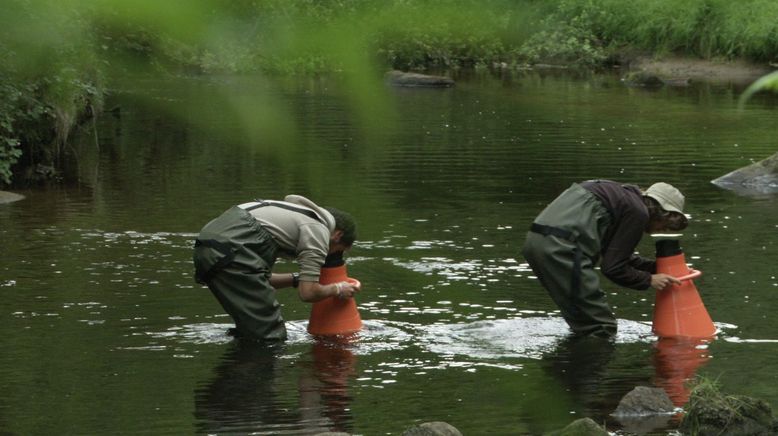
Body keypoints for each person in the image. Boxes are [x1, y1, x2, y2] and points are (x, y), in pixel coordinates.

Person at [522, 180, 688, 338]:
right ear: (662, 213)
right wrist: (650, 279)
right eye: (665, 226)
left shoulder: (615, 195)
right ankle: (581, 366)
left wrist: (661, 267)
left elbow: (617, 255)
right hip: (562, 249)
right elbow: (613, 268)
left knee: (582, 320)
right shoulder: (638, 212)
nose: (660, 230)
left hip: (537, 242)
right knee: (601, 328)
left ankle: (567, 363)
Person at [193, 195, 360, 341]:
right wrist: (338, 288)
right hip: (233, 250)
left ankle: (242, 371)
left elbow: (258, 279)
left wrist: (297, 279)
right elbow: (307, 293)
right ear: (337, 235)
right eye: (338, 252)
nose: (331, 257)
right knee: (270, 336)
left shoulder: (287, 217)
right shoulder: (318, 230)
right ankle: (255, 375)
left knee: (251, 330)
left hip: (208, 247)